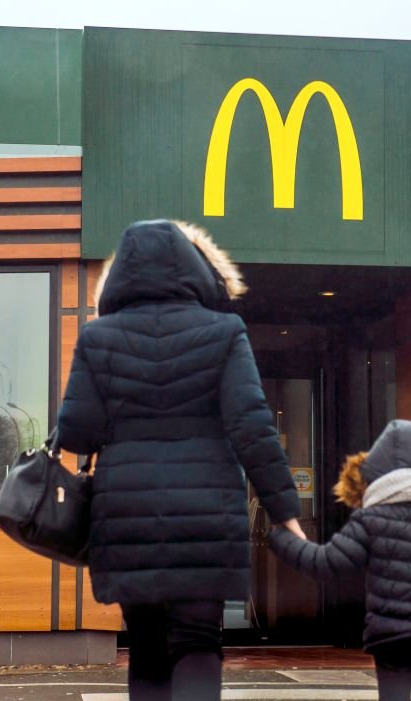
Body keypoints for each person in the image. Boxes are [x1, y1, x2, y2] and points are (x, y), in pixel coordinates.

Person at [57, 219, 305, 701]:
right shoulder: (224, 331)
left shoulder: (99, 337)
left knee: (146, 647)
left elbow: (77, 432)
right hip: (207, 515)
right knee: (198, 642)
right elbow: (252, 425)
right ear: (194, 272)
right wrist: (284, 511)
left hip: (125, 518)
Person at [269, 419, 411, 701]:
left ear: (377, 470)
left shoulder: (369, 521)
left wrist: (281, 537)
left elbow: (325, 564)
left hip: (391, 637)